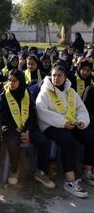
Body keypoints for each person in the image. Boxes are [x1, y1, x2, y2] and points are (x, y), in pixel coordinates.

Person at [36, 65, 94, 198]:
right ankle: (70, 180)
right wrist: (63, 122)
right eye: (54, 75)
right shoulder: (45, 92)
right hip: (50, 126)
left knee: (90, 135)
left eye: (59, 75)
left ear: (65, 77)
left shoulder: (71, 92)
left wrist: (81, 121)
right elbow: (41, 112)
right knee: (68, 139)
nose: (56, 78)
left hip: (71, 124)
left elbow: (81, 109)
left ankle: (88, 170)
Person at [0, 69, 54, 187]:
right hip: (11, 127)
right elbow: (3, 118)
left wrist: (27, 130)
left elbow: (32, 114)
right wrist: (20, 131)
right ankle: (14, 170)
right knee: (13, 142)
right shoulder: (3, 96)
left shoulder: (27, 93)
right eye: (9, 80)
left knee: (44, 141)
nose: (11, 83)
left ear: (21, 81)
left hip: (27, 127)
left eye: (14, 81)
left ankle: (41, 171)